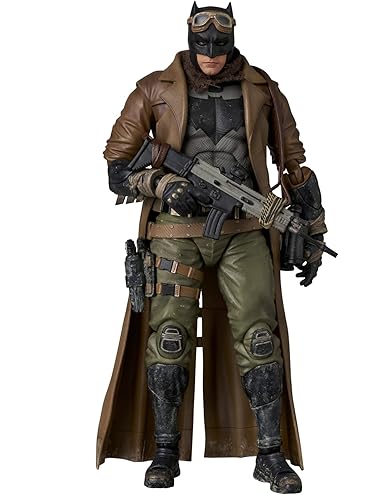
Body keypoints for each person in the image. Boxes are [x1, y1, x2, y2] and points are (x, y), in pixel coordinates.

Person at [97, 3, 328, 494]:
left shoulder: (263, 89)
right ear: (189, 39)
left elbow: (293, 164)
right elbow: (117, 166)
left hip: (244, 230)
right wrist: (163, 185)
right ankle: (164, 451)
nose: (210, 55)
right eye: (202, 44)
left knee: (260, 339)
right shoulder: (154, 89)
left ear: (232, 41)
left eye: (219, 45)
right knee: (168, 338)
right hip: (175, 234)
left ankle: (270, 455)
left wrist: (313, 228)